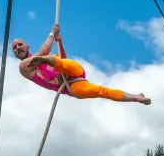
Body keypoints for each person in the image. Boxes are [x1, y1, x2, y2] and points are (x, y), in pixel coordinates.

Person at [12, 24, 151, 105]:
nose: (18, 47)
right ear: (14, 53)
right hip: (71, 87)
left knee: (58, 61)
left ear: (27, 46)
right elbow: (44, 50)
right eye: (15, 47)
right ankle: (135, 98)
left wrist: (59, 42)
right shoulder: (23, 67)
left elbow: (64, 59)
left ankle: (45, 61)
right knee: (102, 91)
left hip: (74, 72)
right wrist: (51, 34)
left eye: (20, 44)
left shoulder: (44, 56)